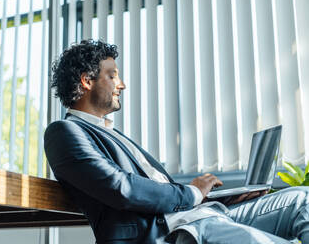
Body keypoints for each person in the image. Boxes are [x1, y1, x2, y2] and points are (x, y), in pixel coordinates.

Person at [44, 39, 309, 244]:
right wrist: (193, 192)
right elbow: (121, 188)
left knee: (302, 199)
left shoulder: (114, 134)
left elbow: (162, 193)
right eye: (112, 75)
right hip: (173, 233)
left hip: (203, 215)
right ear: (87, 81)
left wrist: (223, 198)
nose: (121, 84)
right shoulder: (64, 132)